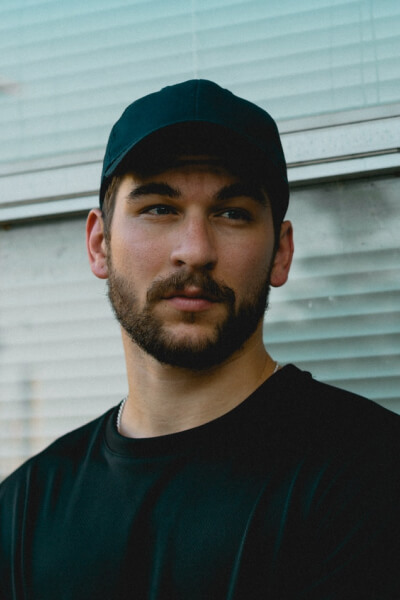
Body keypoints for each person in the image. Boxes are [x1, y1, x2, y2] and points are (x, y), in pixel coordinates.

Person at [0, 79, 399, 599]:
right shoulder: (22, 509)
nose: (194, 250)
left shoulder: (374, 474)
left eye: (232, 213)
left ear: (280, 253)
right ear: (99, 244)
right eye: (159, 208)